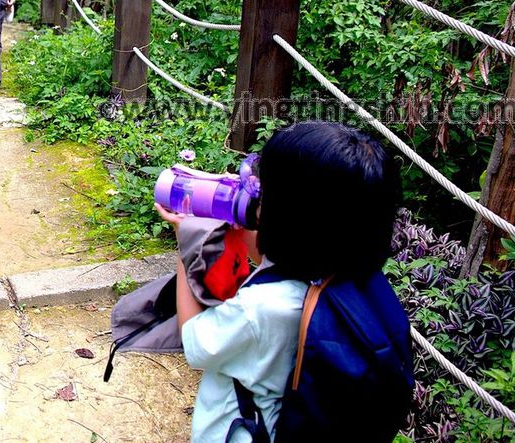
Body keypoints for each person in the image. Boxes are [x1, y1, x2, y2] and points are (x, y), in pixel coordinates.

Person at [157, 121, 401, 442]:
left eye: (265, 191)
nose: (255, 193)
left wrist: (189, 242)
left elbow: (195, 344)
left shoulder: (262, 309)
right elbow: (275, 260)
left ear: (289, 217)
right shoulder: (344, 271)